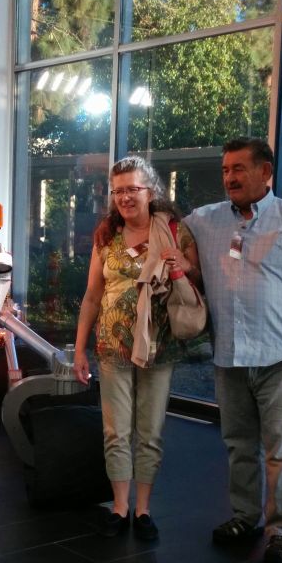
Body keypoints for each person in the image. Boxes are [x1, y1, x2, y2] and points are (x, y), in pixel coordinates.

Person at [183, 138, 282, 563]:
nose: (229, 177)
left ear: (265, 172)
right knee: (238, 444)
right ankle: (245, 516)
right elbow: (166, 227)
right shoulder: (204, 221)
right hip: (228, 357)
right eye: (225, 170)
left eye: (239, 169)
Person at [73, 155, 199, 541]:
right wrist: (79, 349)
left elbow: (197, 278)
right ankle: (120, 506)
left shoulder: (175, 232)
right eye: (118, 191)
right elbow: (93, 296)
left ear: (151, 191)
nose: (125, 197)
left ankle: (144, 510)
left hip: (158, 347)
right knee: (115, 431)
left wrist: (184, 266)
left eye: (133, 189)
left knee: (150, 431)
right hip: (112, 348)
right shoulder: (105, 237)